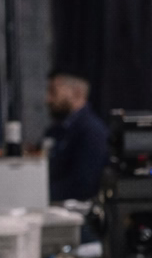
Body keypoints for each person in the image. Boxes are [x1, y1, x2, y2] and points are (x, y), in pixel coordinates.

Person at [44, 71, 109, 202]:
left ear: (77, 93)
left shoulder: (91, 131)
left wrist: (38, 194)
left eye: (53, 92)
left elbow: (84, 185)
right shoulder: (57, 130)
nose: (47, 100)